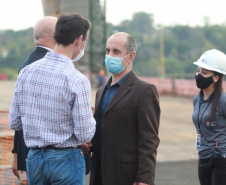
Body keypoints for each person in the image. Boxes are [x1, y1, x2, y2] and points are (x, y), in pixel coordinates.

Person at [9, 13, 96, 185]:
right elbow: (84, 133)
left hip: (34, 159)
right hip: (65, 160)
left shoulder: (27, 71)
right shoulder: (77, 80)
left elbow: (15, 122)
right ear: (79, 40)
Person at [82, 32, 160, 185]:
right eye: (107, 51)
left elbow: (149, 139)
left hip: (126, 175)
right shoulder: (101, 91)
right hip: (99, 173)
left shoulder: (144, 90)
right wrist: (88, 145)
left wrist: (145, 178)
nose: (110, 55)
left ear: (131, 56)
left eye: (116, 51)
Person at [11, 16, 57, 180]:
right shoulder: (48, 64)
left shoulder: (28, 63)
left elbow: (18, 113)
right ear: (56, 35)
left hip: (31, 151)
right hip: (47, 153)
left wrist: (16, 152)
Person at [192, 49, 226, 185]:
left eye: (204, 73)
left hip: (221, 161)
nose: (199, 75)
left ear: (216, 77)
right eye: (198, 71)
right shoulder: (197, 99)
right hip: (203, 157)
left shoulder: (223, 100)